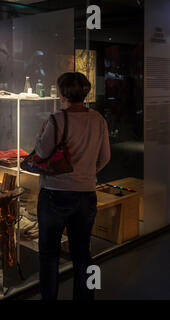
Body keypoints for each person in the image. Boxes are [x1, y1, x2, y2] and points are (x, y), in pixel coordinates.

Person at [34, 72, 110, 300]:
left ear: (62, 93)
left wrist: (41, 131)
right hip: (86, 195)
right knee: (83, 253)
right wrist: (85, 174)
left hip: (54, 195)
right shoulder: (98, 119)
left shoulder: (57, 119)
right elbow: (105, 157)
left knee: (49, 255)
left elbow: (41, 151)